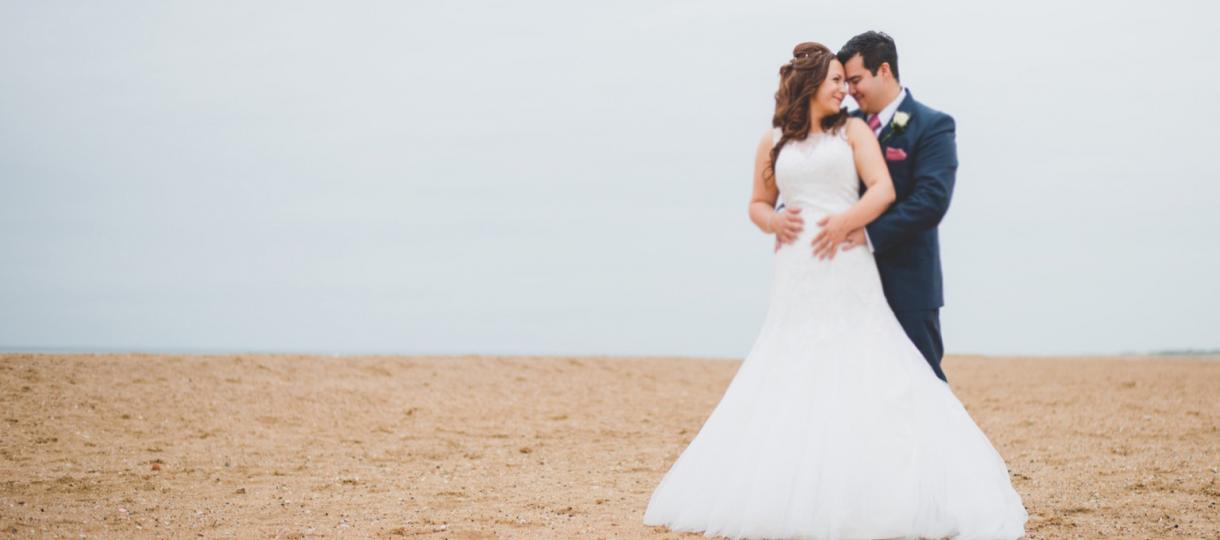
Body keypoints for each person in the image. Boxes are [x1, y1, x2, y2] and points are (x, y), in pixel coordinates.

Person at [641, 41, 1028, 539]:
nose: (845, 88)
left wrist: (850, 224)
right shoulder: (774, 141)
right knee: (793, 365)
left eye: (850, 80)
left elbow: (887, 190)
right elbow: (758, 202)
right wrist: (773, 222)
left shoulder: (856, 130)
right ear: (810, 87)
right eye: (836, 81)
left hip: (848, 262)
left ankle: (911, 487)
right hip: (797, 271)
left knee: (875, 365)